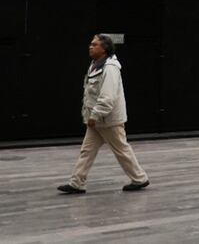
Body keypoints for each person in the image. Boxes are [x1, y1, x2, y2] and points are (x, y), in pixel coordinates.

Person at [58, 34, 151, 194]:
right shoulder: (95, 65)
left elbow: (107, 97)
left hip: (107, 120)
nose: (90, 46)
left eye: (94, 44)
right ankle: (77, 183)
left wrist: (95, 115)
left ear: (104, 49)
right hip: (97, 120)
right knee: (87, 151)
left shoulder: (110, 68)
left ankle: (140, 178)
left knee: (121, 150)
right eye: (91, 44)